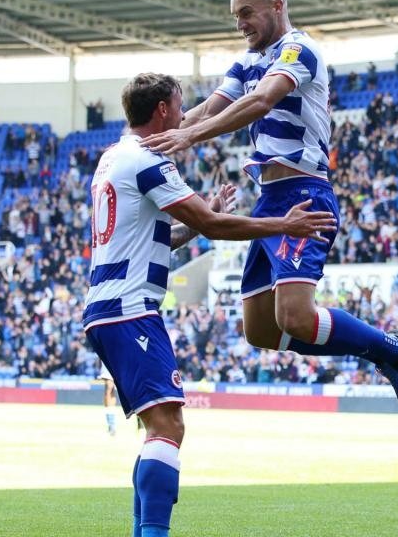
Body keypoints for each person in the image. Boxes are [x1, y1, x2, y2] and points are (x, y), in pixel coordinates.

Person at [140, 0, 398, 408]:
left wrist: (189, 139)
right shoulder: (247, 61)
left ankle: (395, 350)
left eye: (246, 13)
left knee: (295, 316)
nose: (240, 24)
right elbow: (207, 109)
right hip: (268, 201)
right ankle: (381, 350)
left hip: (304, 193)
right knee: (260, 330)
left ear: (276, 6)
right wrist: (151, 136)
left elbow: (260, 102)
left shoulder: (300, 49)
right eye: (235, 16)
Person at [84, 72, 335, 537]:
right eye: (181, 107)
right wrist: (283, 224)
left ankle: (146, 532)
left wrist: (205, 220)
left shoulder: (112, 158)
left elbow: (166, 235)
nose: (186, 117)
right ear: (162, 110)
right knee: (169, 426)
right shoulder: (148, 160)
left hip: (112, 307)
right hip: (129, 308)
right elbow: (214, 224)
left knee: (158, 426)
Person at [100, 363, 118, 437]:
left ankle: (111, 424)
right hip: (108, 364)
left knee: (110, 393)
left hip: (116, 363)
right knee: (109, 392)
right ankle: (111, 423)